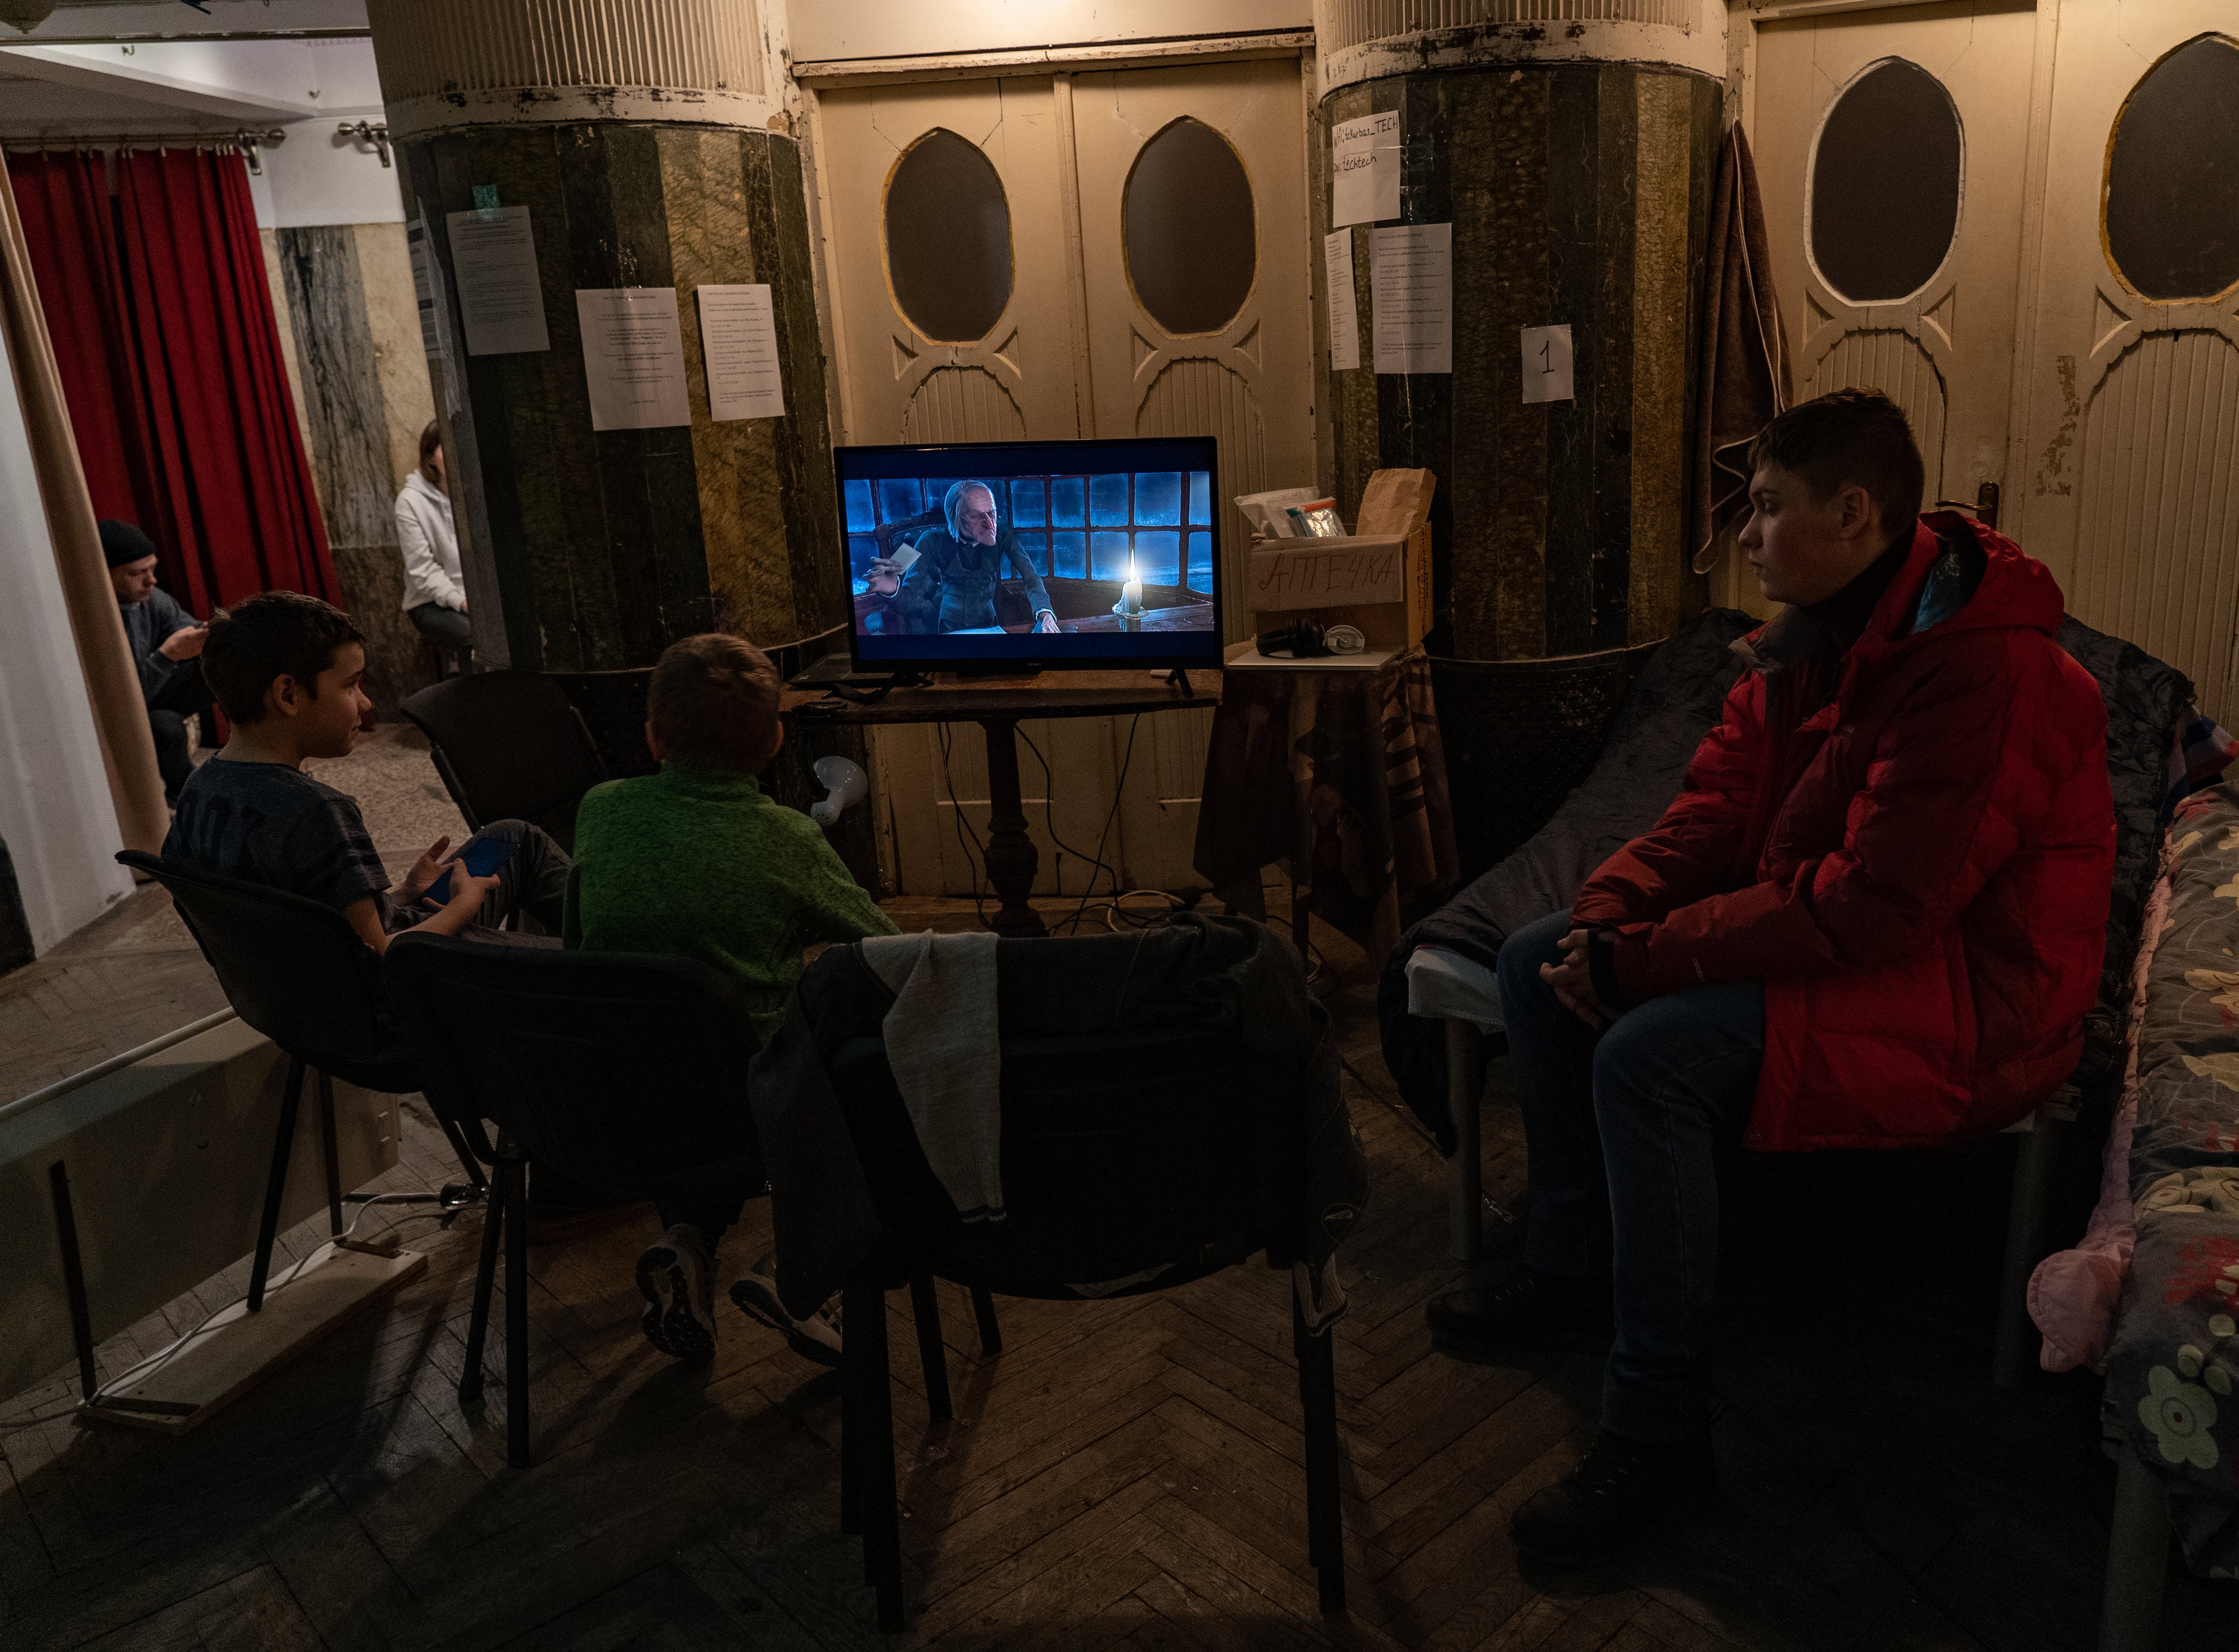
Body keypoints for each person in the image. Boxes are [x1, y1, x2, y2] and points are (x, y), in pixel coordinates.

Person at [1424, 390, 2115, 1559]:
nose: (1744, 536)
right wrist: (1604, 920)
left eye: (1765, 508)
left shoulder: (1985, 673)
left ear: (1851, 514)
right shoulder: (1807, 639)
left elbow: (1874, 908)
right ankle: (1569, 1266)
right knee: (1540, 956)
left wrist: (1640, 964)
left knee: (1648, 1057)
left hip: (1974, 1000)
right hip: (1881, 953)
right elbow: (1709, 812)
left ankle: (1658, 1436)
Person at [563, 632, 899, 1363]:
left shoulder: (601, 810)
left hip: (619, 1109)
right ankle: (803, 1273)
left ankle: (687, 1247)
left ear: (653, 737)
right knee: (850, 1051)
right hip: (762, 1117)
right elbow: (887, 949)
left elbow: (574, 944)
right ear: (777, 740)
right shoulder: (784, 837)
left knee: (681, 1043)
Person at [163, 591, 569, 956]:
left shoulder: (198, 790)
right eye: (351, 685)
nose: (366, 702)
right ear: (288, 695)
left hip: (315, 994)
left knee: (515, 837)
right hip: (419, 982)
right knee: (589, 964)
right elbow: (379, 955)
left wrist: (401, 896)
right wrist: (463, 905)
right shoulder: (316, 811)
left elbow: (321, 927)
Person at [104, 520, 217, 806]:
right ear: (105, 575)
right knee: (166, 725)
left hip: (150, 692)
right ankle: (183, 795)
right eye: (138, 573)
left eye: (152, 569)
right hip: (118, 710)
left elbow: (187, 629)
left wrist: (210, 636)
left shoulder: (153, 599)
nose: (151, 580)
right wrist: (166, 657)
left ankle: (257, 760)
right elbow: (120, 701)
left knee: (222, 664)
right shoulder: (94, 620)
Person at [874, 480, 1062, 635]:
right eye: (976, 516)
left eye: (992, 514)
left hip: (991, 626)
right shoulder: (930, 540)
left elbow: (1031, 577)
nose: (990, 525)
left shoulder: (1004, 536)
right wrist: (893, 590)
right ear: (955, 517)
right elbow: (907, 602)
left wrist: (1045, 614)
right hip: (950, 631)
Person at [395, 420, 471, 655]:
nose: (456, 452)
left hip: (474, 594)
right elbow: (423, 570)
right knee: (474, 635)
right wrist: (460, 601)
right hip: (428, 603)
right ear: (429, 458)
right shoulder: (409, 502)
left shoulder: (474, 492)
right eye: (447, 446)